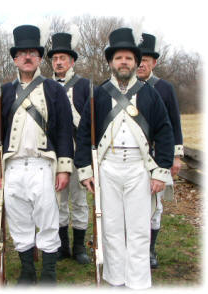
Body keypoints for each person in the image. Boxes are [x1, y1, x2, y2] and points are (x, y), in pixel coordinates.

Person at [74, 27, 174, 289]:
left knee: (140, 229)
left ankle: (138, 281)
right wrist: (86, 170)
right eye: (119, 58)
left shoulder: (150, 94)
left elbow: (164, 132)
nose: (124, 62)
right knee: (112, 228)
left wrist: (160, 172)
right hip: (108, 168)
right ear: (110, 62)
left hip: (139, 169)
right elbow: (85, 134)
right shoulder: (98, 94)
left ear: (136, 62)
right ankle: (116, 278)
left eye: (129, 58)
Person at [0, 25, 74, 285]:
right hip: (12, 166)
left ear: (39, 58)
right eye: (22, 53)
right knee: (19, 220)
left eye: (32, 53)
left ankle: (48, 273)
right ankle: (27, 272)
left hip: (42, 165)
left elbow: (64, 131)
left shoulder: (54, 90)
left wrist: (63, 168)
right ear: (15, 58)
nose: (27, 57)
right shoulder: (3, 93)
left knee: (48, 219)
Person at [137, 33, 184, 268]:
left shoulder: (164, 88)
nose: (142, 64)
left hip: (158, 156)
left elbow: (174, 123)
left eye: (147, 59)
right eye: (139, 59)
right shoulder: (123, 89)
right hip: (132, 158)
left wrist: (175, 156)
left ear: (154, 62)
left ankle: (149, 250)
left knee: (155, 206)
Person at [47, 32, 90, 264]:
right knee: (58, 200)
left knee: (80, 200)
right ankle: (62, 245)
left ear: (72, 61)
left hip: (79, 154)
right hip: (55, 154)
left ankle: (80, 246)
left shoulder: (84, 85)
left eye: (63, 57)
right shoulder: (44, 86)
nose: (59, 62)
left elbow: (91, 122)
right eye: (55, 59)